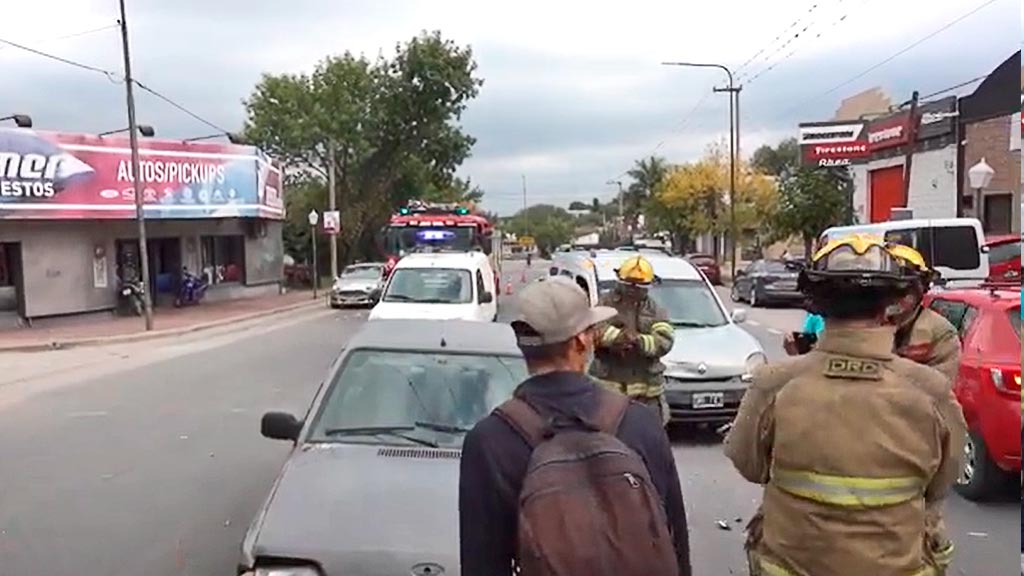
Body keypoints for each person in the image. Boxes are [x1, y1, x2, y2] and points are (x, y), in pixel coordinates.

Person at [724, 234, 966, 576]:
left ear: (818, 305)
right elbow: (943, 480)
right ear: (891, 306)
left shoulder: (775, 382)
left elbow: (747, 464)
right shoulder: (930, 391)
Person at [459, 277, 691, 576]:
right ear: (583, 341)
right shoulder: (639, 422)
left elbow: (483, 563)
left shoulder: (490, 440)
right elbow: (675, 542)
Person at [589, 255, 675, 425]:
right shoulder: (605, 303)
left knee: (648, 441)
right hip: (608, 394)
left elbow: (665, 340)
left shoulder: (656, 310)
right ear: (620, 281)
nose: (634, 290)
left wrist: (639, 341)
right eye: (629, 285)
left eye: (640, 286)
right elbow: (593, 329)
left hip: (647, 397)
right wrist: (618, 338)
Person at [885, 243, 961, 383]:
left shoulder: (939, 331)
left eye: (904, 290)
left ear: (921, 290)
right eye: (888, 289)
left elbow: (942, 384)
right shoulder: (862, 323)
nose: (895, 297)